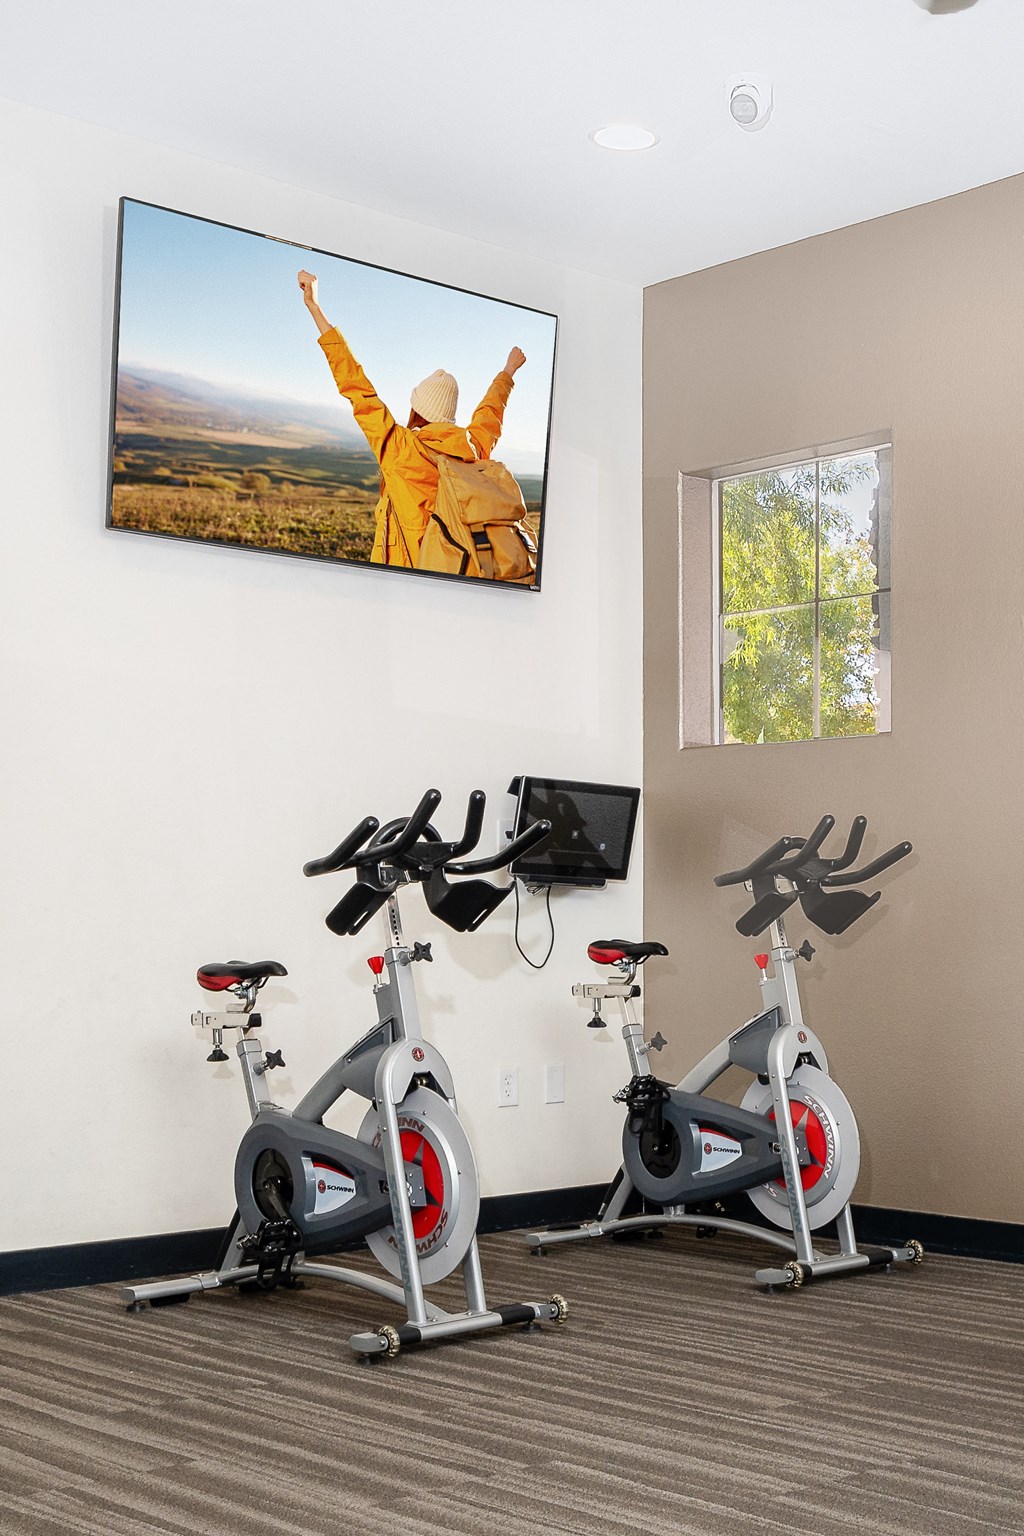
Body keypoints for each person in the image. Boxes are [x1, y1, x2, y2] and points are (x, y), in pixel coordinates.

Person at [297, 269, 526, 568]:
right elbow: (490, 414)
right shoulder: (472, 449)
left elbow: (357, 388)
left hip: (402, 577)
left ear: (416, 409)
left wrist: (315, 307)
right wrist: (507, 373)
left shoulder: (401, 449)